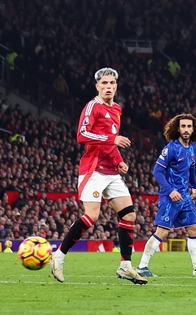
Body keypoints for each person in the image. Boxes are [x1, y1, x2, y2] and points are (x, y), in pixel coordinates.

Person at [51, 68, 147, 284]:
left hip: (111, 171)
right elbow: (82, 135)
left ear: (116, 86)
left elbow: (111, 141)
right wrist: (112, 140)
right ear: (97, 86)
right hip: (93, 169)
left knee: (129, 215)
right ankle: (58, 257)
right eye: (104, 83)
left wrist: (119, 160)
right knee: (92, 216)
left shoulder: (117, 109)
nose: (108, 86)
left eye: (112, 83)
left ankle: (125, 266)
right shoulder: (92, 107)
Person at [137, 114, 196, 277]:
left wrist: (194, 187)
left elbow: (192, 167)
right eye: (183, 126)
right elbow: (157, 171)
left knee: (194, 228)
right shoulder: (171, 148)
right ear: (178, 129)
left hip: (185, 196)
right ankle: (142, 267)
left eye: (189, 126)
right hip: (170, 197)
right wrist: (170, 191)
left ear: (193, 129)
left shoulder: (192, 147)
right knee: (162, 232)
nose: (186, 129)